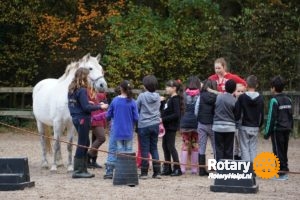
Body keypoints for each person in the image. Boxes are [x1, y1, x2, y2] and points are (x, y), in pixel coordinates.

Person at [68, 68, 105, 178]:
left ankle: (83, 168)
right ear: (84, 76)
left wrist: (86, 102)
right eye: (88, 76)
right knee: (82, 144)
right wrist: (100, 106)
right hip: (83, 118)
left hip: (75, 117)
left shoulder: (72, 88)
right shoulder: (83, 90)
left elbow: (75, 103)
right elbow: (86, 108)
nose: (89, 78)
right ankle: (78, 171)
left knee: (86, 143)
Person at [264, 76, 293, 181]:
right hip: (287, 129)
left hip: (277, 130)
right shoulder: (289, 99)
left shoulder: (274, 100)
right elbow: (291, 116)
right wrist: (291, 127)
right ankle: (285, 169)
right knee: (284, 150)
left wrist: (267, 133)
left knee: (277, 151)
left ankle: (281, 173)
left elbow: (271, 118)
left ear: (273, 88)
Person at [136, 75, 161, 179]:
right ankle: (157, 172)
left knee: (145, 149)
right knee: (154, 148)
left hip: (144, 125)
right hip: (155, 124)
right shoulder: (158, 96)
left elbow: (137, 108)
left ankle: (144, 172)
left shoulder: (142, 96)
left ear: (145, 85)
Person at [235, 75, 264, 162]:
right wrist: (260, 124)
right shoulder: (260, 98)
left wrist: (236, 121)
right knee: (253, 148)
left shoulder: (242, 97)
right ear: (257, 85)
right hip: (255, 126)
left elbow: (237, 113)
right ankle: (253, 171)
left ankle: (247, 170)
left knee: (244, 148)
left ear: (246, 85)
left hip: (244, 126)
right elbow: (261, 114)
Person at [106, 80, 139, 154]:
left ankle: (120, 165)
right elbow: (136, 117)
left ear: (120, 88)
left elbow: (108, 115)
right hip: (129, 130)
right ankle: (127, 165)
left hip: (117, 130)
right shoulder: (133, 101)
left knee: (119, 150)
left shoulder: (115, 100)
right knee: (129, 150)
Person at [161, 80, 184, 176]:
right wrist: (162, 103)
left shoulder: (175, 99)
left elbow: (176, 114)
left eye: (168, 87)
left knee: (171, 147)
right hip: (166, 126)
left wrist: (163, 119)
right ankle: (167, 167)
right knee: (165, 146)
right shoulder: (169, 99)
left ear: (174, 88)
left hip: (171, 127)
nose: (166, 88)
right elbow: (165, 110)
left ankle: (177, 168)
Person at [179, 76, 201, 175]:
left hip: (185, 122)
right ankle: (194, 169)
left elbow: (181, 110)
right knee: (195, 145)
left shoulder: (183, 94)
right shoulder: (201, 94)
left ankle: (183, 168)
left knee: (185, 144)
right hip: (196, 123)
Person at [196, 79, 218, 176]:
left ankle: (201, 170)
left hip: (202, 124)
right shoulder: (217, 97)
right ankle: (216, 168)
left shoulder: (200, 96)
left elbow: (196, 110)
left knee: (202, 147)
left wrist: (199, 118)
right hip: (214, 124)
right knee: (215, 147)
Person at [212, 79, 237, 161]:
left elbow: (213, 109)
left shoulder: (218, 97)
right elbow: (236, 114)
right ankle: (228, 168)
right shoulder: (234, 100)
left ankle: (220, 169)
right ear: (234, 89)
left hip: (217, 126)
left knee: (218, 148)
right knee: (229, 149)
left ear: (225, 87)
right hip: (230, 127)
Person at [87, 87, 108, 168]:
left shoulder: (98, 89)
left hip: (100, 116)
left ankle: (93, 161)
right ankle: (87, 157)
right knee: (101, 138)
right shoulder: (90, 90)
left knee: (95, 139)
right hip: (95, 116)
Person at [233, 83, 246, 160]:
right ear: (234, 92)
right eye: (238, 91)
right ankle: (236, 162)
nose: (240, 93)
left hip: (241, 127)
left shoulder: (245, 102)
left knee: (241, 146)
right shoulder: (232, 101)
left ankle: (241, 165)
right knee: (235, 146)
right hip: (233, 126)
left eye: (242, 91)